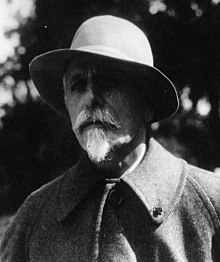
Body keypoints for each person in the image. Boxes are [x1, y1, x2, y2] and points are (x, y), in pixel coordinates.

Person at [1, 15, 220, 262]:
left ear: (146, 102)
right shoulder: (34, 217)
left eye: (109, 82)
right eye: (78, 85)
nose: (91, 97)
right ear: (66, 102)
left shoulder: (210, 206)